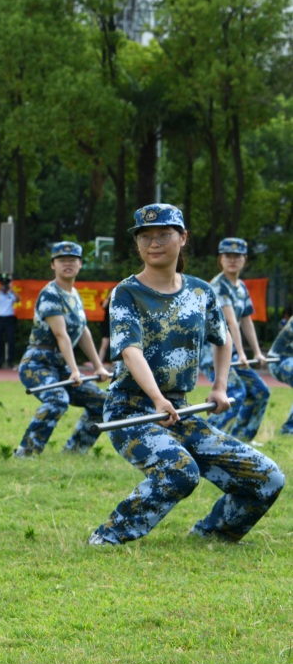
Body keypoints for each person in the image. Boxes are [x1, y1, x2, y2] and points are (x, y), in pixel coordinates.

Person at [89, 204, 284, 546]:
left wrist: (220, 387)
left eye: (164, 234)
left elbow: (222, 340)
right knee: (180, 471)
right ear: (137, 244)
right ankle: (109, 537)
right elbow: (129, 350)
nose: (154, 243)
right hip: (131, 411)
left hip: (180, 411)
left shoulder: (201, 292)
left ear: (182, 238)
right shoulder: (127, 292)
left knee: (267, 476)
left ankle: (213, 533)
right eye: (145, 236)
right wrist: (157, 398)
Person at [13, 242, 111, 458]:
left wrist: (98, 367)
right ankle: (26, 452)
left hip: (60, 365)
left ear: (80, 264)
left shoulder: (74, 294)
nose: (68, 263)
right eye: (62, 260)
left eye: (73, 259)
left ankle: (74, 452)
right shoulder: (50, 294)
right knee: (57, 399)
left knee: (102, 402)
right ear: (52, 265)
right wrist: (75, 370)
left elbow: (83, 331)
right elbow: (61, 334)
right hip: (37, 364)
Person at [203, 238, 269, 442]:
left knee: (260, 392)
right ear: (220, 260)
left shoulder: (240, 287)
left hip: (233, 352)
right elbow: (231, 323)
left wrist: (256, 352)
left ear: (245, 260)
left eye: (237, 256)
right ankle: (207, 440)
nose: (232, 260)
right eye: (227, 256)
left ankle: (242, 439)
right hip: (213, 353)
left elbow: (246, 321)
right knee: (235, 392)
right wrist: (241, 354)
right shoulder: (218, 286)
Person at [0, 274, 19, 369]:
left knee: (11, 340)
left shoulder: (11, 294)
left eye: (5, 284)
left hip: (9, 319)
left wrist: (11, 290)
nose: (4, 286)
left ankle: (10, 361)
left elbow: (18, 299)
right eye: (3, 284)